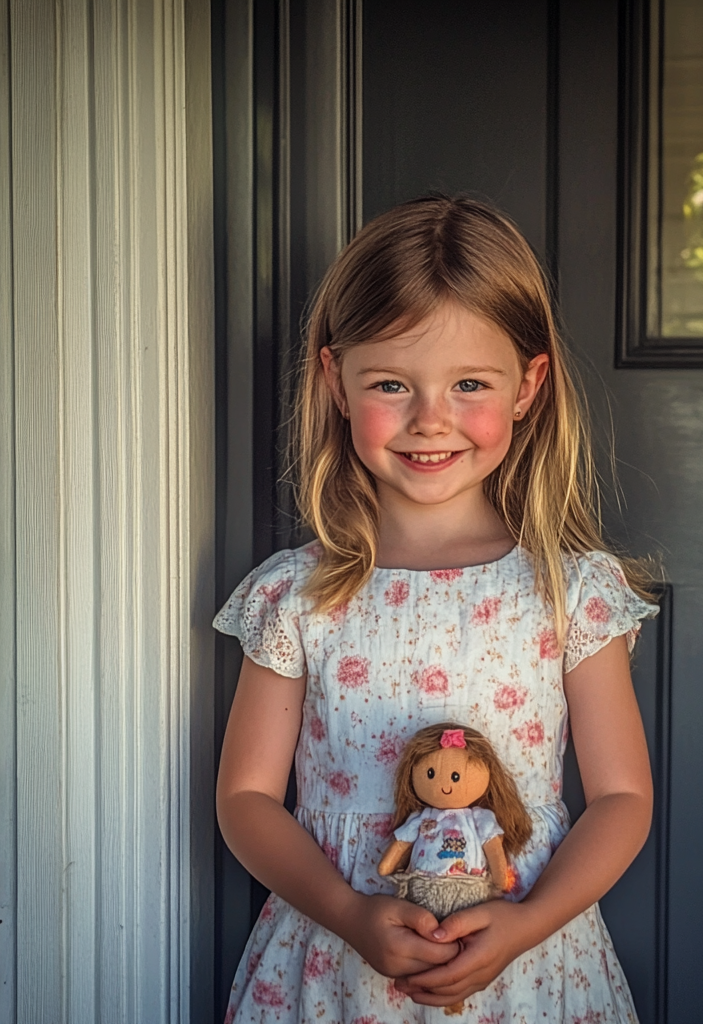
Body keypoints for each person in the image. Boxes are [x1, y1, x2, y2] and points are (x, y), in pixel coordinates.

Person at [214, 195, 658, 1022]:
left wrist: (528, 923)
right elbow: (244, 799)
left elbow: (624, 799)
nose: (430, 419)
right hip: (333, 968)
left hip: (530, 968)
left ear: (528, 386)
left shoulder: (573, 592)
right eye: (390, 382)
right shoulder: (295, 595)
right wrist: (348, 912)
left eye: (468, 384)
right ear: (334, 382)